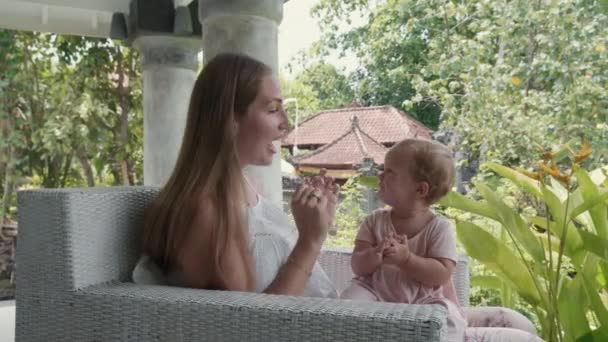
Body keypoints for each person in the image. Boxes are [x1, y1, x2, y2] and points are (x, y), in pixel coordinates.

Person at [134, 53, 337, 298]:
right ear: (230, 120)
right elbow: (250, 325)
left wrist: (314, 215)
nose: (286, 123)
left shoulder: (247, 184)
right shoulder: (205, 212)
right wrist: (310, 242)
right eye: (273, 109)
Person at [340, 139, 542, 342]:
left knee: (449, 321)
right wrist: (374, 254)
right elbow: (358, 266)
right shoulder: (374, 221)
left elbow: (441, 273)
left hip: (425, 301)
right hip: (376, 294)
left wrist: (406, 259)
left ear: (420, 190)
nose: (380, 175)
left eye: (389, 172)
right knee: (349, 302)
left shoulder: (438, 228)